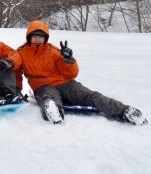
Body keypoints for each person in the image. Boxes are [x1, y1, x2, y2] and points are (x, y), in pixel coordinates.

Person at [14, 20, 147, 125]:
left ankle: (124, 111)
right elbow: (16, 71)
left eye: (41, 37)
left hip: (65, 83)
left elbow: (71, 74)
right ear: (29, 37)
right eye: (35, 36)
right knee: (48, 97)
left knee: (91, 95)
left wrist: (69, 60)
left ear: (46, 38)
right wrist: (17, 91)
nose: (37, 39)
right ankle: (52, 110)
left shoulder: (53, 51)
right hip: (42, 86)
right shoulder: (21, 53)